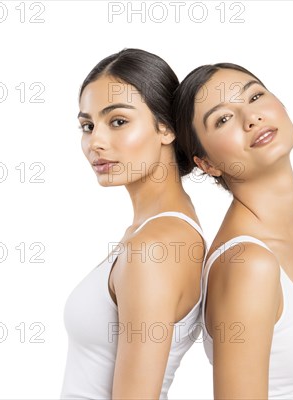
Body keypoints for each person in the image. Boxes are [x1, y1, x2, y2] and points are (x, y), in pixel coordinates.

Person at [173, 63, 293, 399]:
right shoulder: (247, 264)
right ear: (206, 164)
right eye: (223, 119)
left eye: (255, 96)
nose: (251, 118)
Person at [61, 48, 207, 399]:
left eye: (118, 121)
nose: (95, 141)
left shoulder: (156, 247)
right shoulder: (153, 232)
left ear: (166, 128)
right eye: (87, 125)